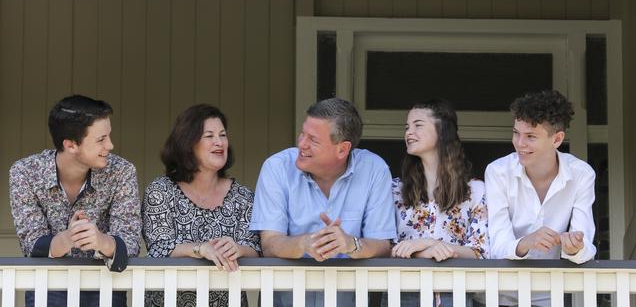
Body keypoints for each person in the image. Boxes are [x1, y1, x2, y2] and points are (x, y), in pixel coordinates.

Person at [250, 97, 396, 306]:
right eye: (303, 134)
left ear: (342, 149)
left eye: (313, 140)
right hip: (288, 301)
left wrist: (350, 244)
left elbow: (382, 245)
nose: (301, 144)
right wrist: (305, 243)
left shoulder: (374, 169)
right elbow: (270, 245)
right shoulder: (277, 168)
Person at [9, 95, 141, 307]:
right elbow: (31, 244)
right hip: (48, 284)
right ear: (71, 145)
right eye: (101, 140)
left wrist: (100, 241)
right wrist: (67, 238)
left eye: (109, 136)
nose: (111, 145)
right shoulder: (25, 172)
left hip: (106, 283)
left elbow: (131, 243)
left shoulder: (122, 171)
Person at [484, 90, 596, 306]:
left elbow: (586, 245)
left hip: (551, 296)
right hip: (496, 295)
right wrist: (525, 242)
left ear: (557, 139)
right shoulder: (497, 171)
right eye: (516, 133)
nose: (519, 143)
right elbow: (496, 244)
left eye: (530, 137)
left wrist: (575, 248)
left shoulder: (582, 174)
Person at [142, 104, 260, 307]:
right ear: (188, 143)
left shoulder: (243, 196)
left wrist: (238, 249)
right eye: (209, 136)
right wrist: (200, 249)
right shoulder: (160, 191)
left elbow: (257, 248)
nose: (219, 142)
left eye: (223, 135)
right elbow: (158, 247)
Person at [386, 99, 488, 307]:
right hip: (404, 293)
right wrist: (426, 251)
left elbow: (481, 253)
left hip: (457, 294)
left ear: (442, 132)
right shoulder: (394, 190)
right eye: (407, 127)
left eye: (418, 125)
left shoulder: (475, 190)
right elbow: (385, 247)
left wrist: (434, 245)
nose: (409, 132)